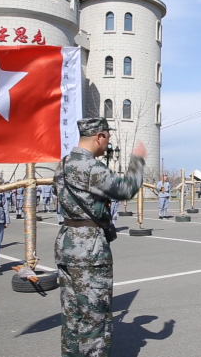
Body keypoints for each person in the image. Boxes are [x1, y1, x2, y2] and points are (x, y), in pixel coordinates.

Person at [53, 117, 145, 357]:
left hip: (67, 241)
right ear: (99, 136)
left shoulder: (63, 164)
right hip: (89, 247)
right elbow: (125, 188)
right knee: (95, 317)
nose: (107, 145)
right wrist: (138, 161)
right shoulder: (89, 166)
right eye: (107, 139)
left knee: (73, 316)